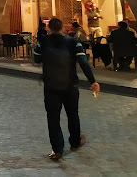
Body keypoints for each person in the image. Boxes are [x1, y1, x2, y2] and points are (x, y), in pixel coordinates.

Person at [34, 17, 100, 160]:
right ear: (62, 28)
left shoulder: (43, 41)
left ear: (48, 28)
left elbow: (36, 59)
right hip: (70, 85)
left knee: (53, 118)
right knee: (72, 114)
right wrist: (92, 81)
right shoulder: (73, 42)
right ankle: (75, 142)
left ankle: (57, 150)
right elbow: (83, 62)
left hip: (51, 86)